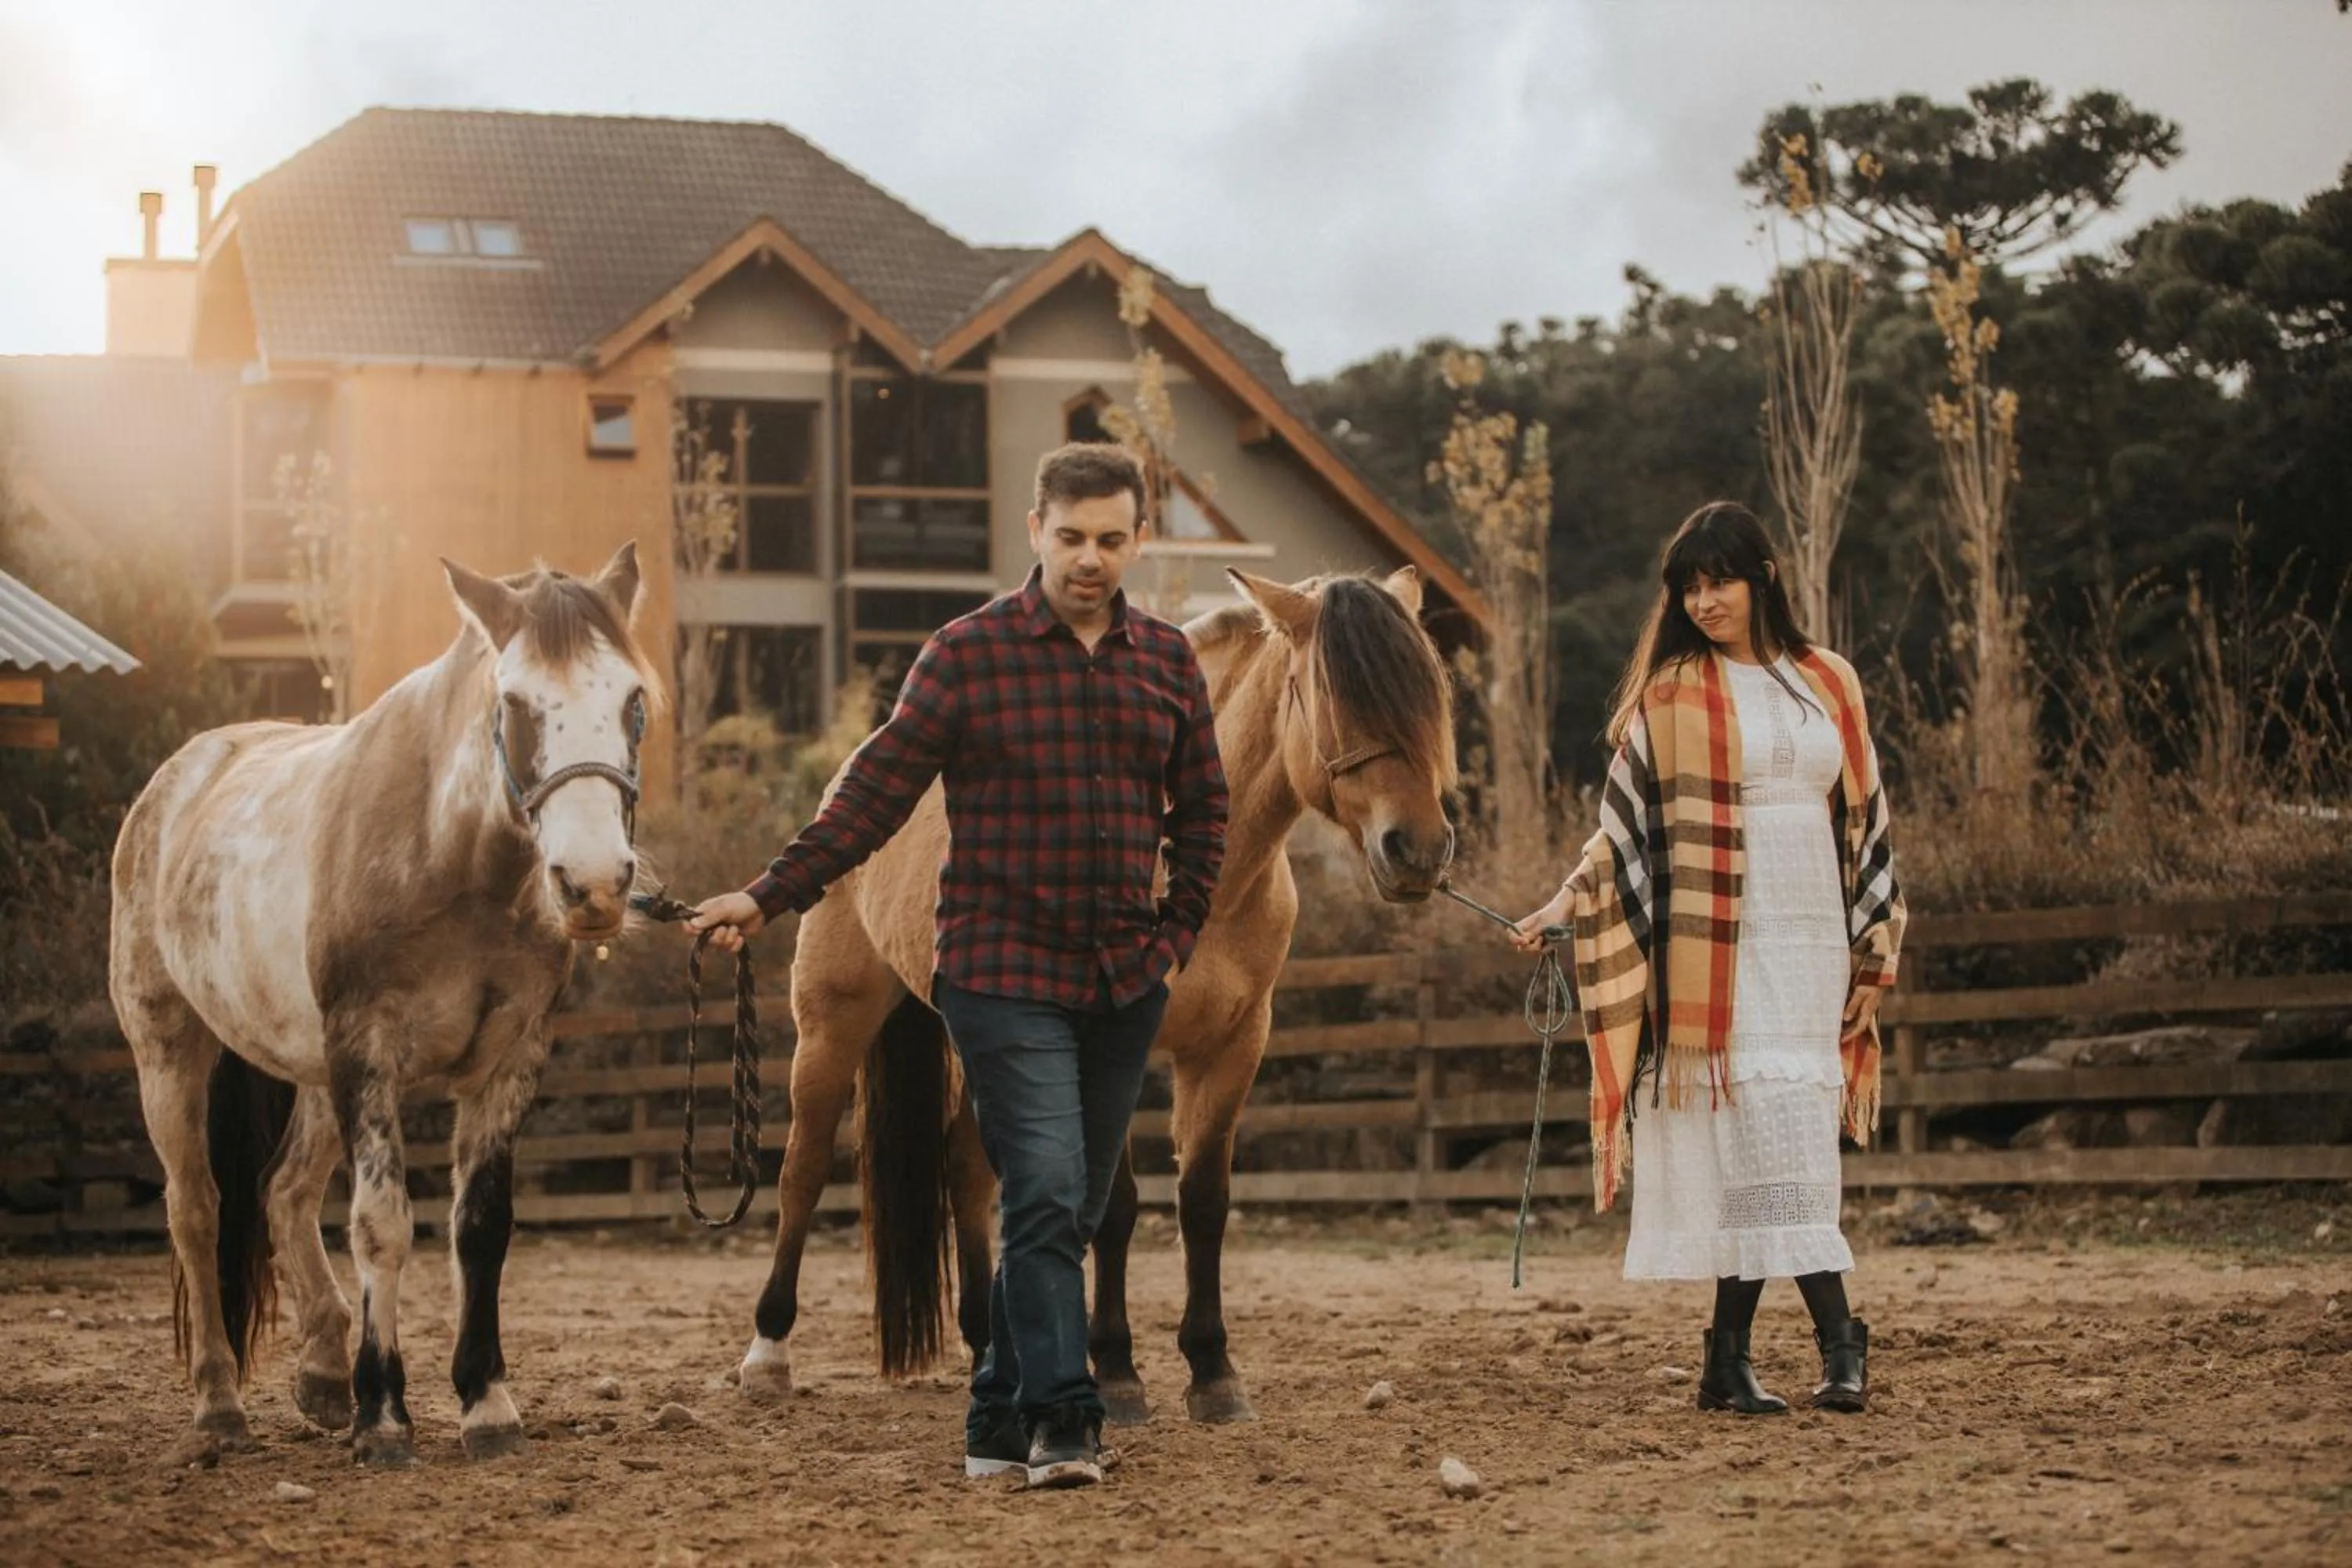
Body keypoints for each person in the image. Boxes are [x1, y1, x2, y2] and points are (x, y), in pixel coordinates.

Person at [688, 443, 1228, 1486]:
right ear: (1036, 532)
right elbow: (875, 792)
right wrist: (768, 893)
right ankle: (1063, 1422)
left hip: (1123, 977)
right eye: (1070, 537)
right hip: (1000, 969)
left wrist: (1174, 933)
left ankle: (992, 1419)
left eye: (1110, 539)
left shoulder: (1167, 662)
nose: (1089, 558)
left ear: (1138, 541)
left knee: (1069, 1209)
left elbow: (1205, 810)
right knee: (1046, 1189)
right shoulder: (966, 654)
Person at [1510, 501, 1904, 1415]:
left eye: (1719, 580)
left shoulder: (1829, 679)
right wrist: (1564, 901)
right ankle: (1839, 1340)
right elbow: (1621, 823)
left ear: (1764, 576)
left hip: (1814, 939)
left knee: (1785, 1139)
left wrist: (1874, 949)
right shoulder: (1674, 690)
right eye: (1689, 587)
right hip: (1722, 948)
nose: (1703, 601)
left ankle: (1728, 1362)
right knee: (1764, 1134)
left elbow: (1869, 820)